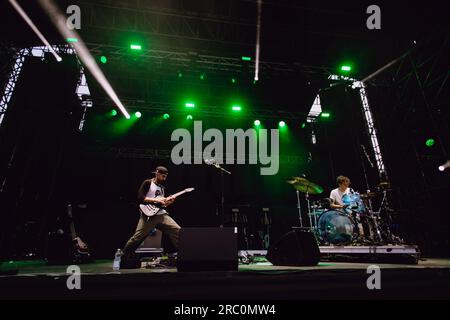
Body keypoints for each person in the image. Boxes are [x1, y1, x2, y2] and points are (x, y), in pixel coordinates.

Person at [122, 166, 181, 259]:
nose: (164, 178)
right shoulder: (148, 183)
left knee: (178, 231)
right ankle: (124, 255)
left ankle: (184, 253)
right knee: (137, 237)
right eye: (162, 176)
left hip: (161, 214)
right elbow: (141, 198)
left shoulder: (162, 188)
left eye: (165, 176)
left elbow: (161, 204)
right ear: (157, 173)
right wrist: (157, 200)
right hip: (148, 215)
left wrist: (168, 202)